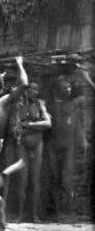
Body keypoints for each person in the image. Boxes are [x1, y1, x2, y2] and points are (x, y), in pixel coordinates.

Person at [48, 72, 91, 216]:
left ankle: (71, 209)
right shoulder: (50, 106)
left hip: (69, 147)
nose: (68, 90)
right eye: (64, 88)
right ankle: (56, 210)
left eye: (69, 87)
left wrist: (86, 78)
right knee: (53, 178)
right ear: (56, 90)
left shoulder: (75, 103)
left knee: (67, 179)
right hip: (53, 146)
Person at [12, 82, 51, 222]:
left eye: (37, 89)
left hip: (37, 144)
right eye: (33, 89)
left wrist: (29, 124)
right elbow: (17, 129)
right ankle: (20, 215)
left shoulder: (40, 105)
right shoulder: (19, 106)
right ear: (26, 90)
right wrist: (35, 127)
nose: (36, 92)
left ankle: (34, 215)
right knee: (22, 180)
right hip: (22, 145)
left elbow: (48, 124)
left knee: (35, 180)